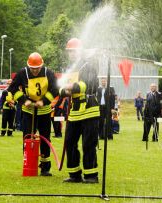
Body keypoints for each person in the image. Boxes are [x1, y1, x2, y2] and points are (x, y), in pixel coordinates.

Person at [8, 52, 58, 176]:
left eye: (37, 69)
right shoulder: (22, 73)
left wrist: (44, 101)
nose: (35, 71)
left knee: (45, 138)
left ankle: (45, 167)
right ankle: (29, 163)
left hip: (44, 111)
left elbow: (55, 89)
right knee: (28, 138)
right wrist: (24, 100)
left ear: (42, 66)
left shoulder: (48, 73)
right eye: (32, 69)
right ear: (28, 66)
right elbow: (13, 89)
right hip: (28, 112)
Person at [60, 38, 100, 183]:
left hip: (89, 109)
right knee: (69, 142)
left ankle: (91, 175)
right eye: (69, 51)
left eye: (73, 51)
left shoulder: (88, 65)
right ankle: (74, 174)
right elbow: (61, 87)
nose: (71, 54)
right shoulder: (70, 68)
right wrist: (64, 90)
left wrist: (73, 87)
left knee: (88, 143)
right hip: (74, 111)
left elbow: (91, 84)